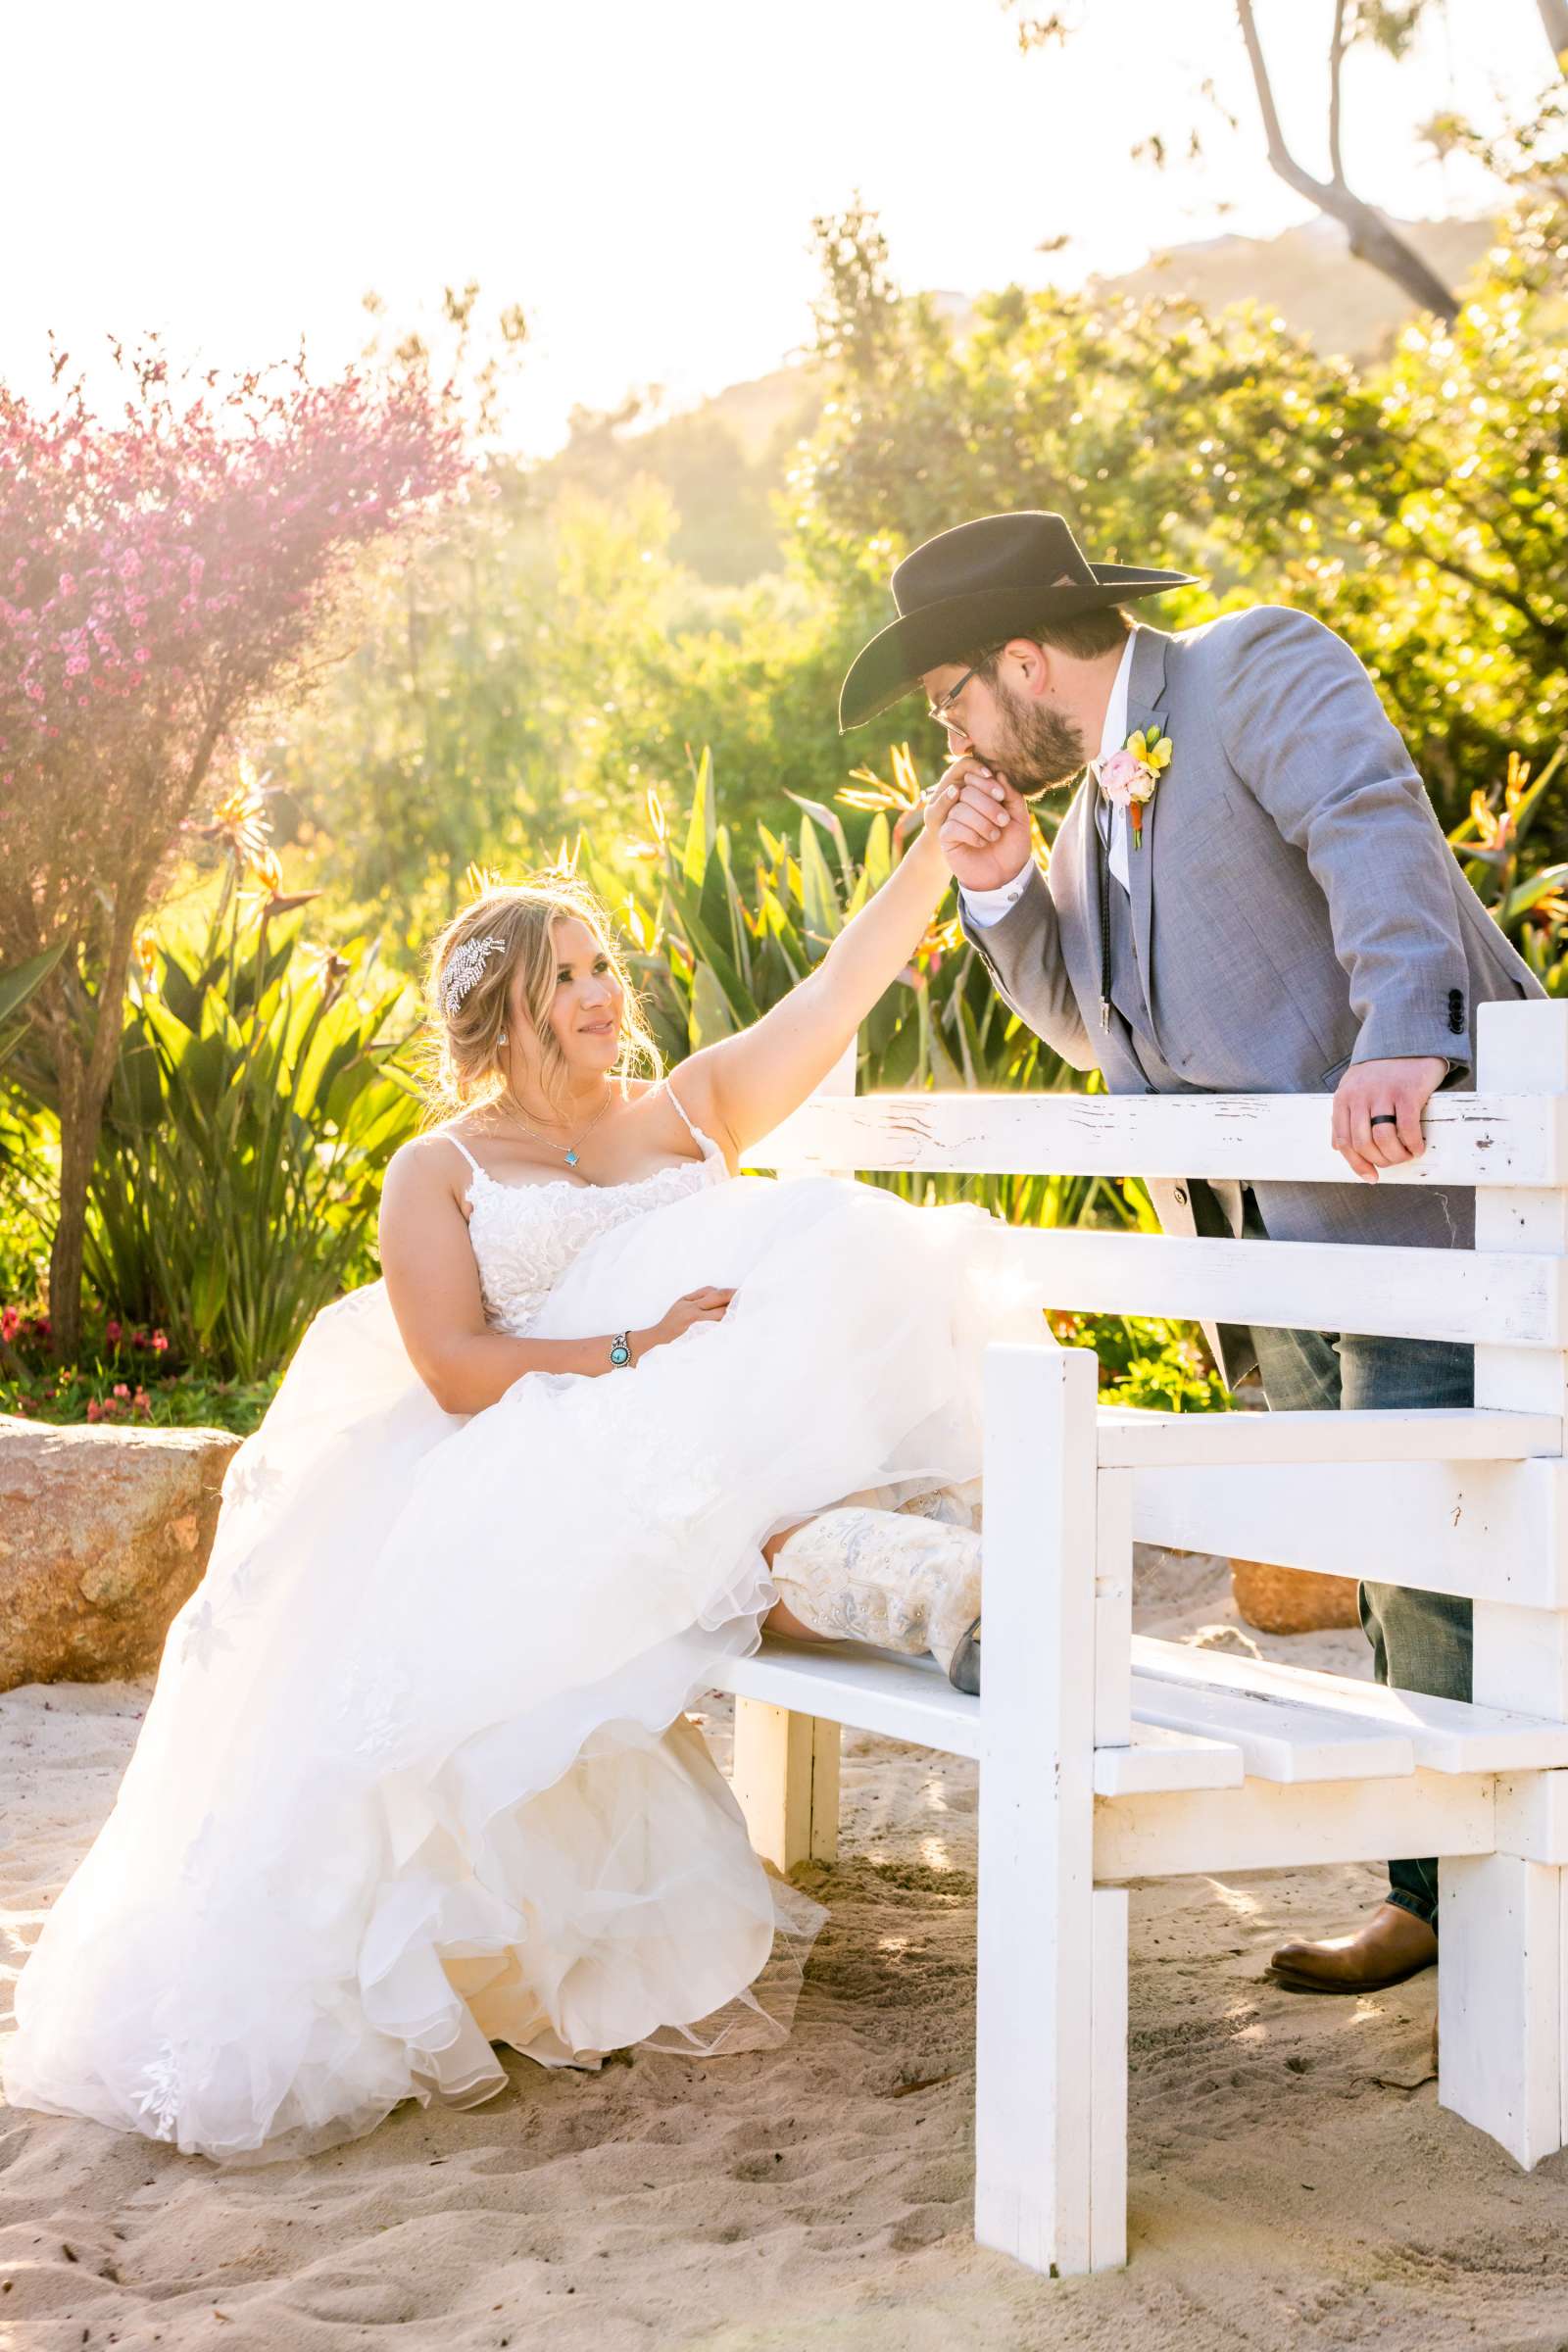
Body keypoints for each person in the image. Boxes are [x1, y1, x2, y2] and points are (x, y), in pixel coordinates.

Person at [3, 792, 1040, 2166]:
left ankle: (949, 1588)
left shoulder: (691, 1106)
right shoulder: (439, 1170)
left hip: (711, 1434)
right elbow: (450, 1362)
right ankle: (933, 1589)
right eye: (571, 974)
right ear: (502, 1011)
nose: (608, 993)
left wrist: (935, 855)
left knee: (833, 1249)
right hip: (544, 1434)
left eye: (606, 965)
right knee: (662, 1495)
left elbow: (840, 987)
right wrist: (632, 1349)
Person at [841, 507, 1544, 1997]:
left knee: (1454, 1546)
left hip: (1424, 1212)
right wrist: (997, 889)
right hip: (1272, 1251)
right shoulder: (1094, 805)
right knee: (1390, 1565)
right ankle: (1442, 1890)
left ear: (1020, 660)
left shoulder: (1251, 669)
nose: (955, 734)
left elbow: (1372, 826)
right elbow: (1107, 1037)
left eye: (953, 698)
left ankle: (1480, 1907)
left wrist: (1405, 1038)